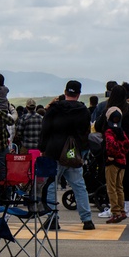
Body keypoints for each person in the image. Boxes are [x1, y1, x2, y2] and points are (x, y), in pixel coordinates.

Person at [39, 80, 95, 230]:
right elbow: (85, 132)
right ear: (78, 94)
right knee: (79, 185)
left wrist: (42, 148)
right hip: (73, 152)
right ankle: (87, 219)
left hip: (54, 151)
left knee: (51, 185)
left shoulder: (54, 109)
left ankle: (52, 218)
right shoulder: (83, 111)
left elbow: (45, 129)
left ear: (65, 92)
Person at [103, 109, 129, 223]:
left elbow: (110, 145)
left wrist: (111, 155)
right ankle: (122, 210)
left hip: (112, 162)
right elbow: (128, 144)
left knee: (111, 187)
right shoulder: (122, 132)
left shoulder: (109, 131)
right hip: (122, 162)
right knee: (119, 187)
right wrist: (122, 153)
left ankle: (115, 212)